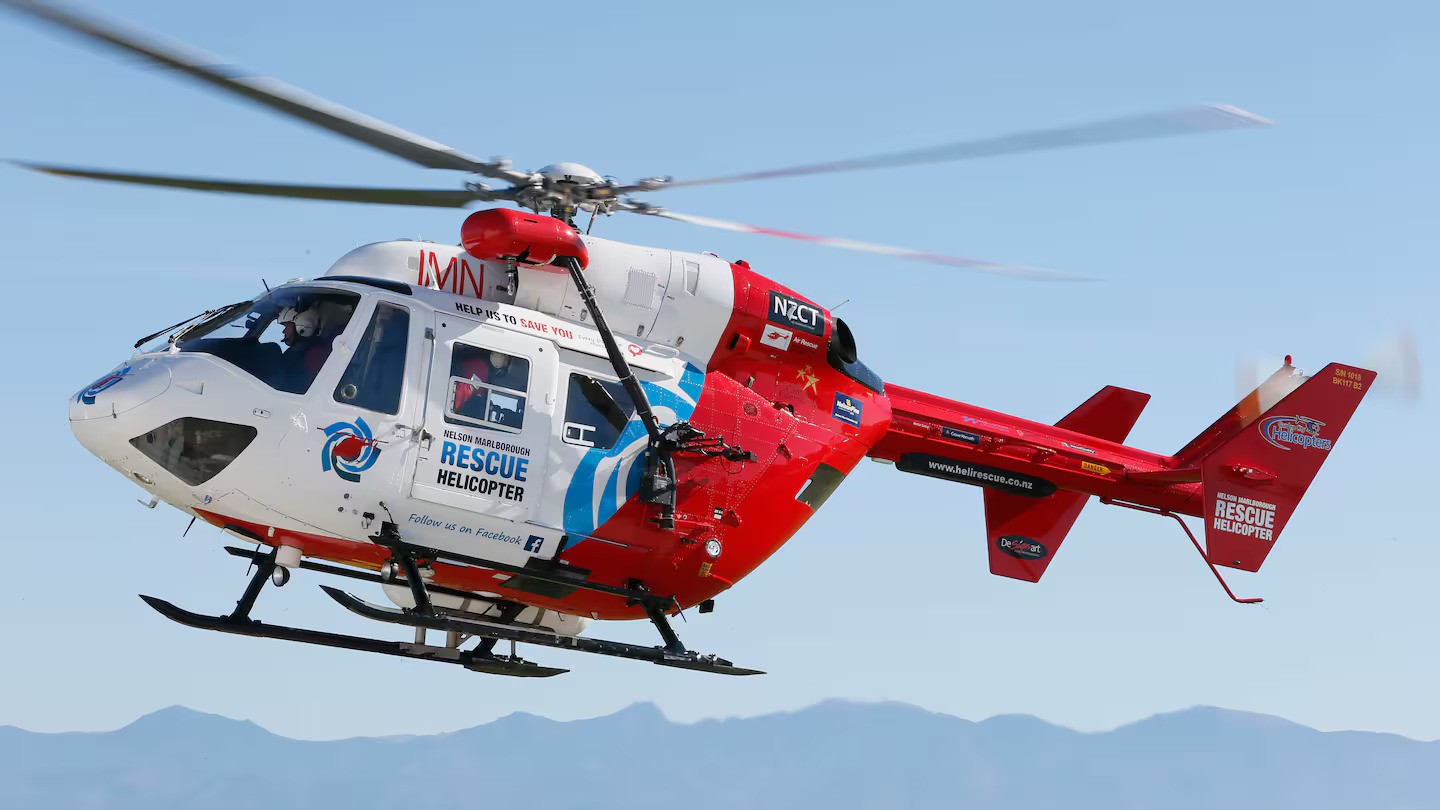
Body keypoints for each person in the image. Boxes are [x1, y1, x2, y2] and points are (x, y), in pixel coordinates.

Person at [273, 305, 330, 393]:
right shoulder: (292, 352)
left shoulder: (315, 355)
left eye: (287, 327)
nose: (283, 332)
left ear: (302, 329)